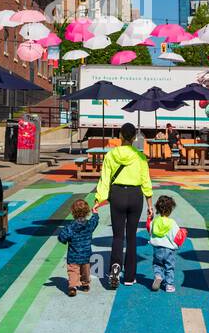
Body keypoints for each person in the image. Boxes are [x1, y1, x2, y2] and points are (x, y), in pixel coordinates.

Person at [93, 121, 153, 288]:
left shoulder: (110, 155)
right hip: (135, 196)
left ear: (119, 136)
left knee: (118, 236)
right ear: (134, 137)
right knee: (132, 237)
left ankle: (114, 268)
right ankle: (129, 277)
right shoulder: (140, 156)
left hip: (117, 195)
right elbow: (145, 181)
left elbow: (104, 180)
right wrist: (150, 204)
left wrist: (98, 200)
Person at [57, 197, 100, 296]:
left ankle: (72, 287)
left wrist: (63, 239)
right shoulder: (89, 225)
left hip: (73, 255)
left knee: (73, 271)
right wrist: (95, 213)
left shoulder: (70, 227)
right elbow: (95, 221)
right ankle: (85, 284)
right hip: (86, 254)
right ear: (87, 212)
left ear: (73, 212)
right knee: (86, 270)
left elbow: (62, 237)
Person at [146, 195, 187, 293]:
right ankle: (169, 285)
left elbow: (149, 229)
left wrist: (149, 218)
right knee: (169, 267)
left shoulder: (155, 221)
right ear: (170, 210)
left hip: (157, 249)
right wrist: (184, 232)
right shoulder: (172, 223)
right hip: (169, 250)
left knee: (157, 264)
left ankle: (158, 276)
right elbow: (177, 236)